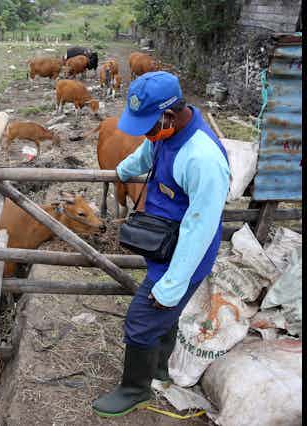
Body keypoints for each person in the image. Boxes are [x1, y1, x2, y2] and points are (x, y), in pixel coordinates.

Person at [91, 71, 230, 417]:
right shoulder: (165, 133)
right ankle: (158, 370)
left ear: (171, 113)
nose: (147, 133)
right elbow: (148, 151)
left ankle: (134, 389)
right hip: (166, 242)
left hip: (186, 253)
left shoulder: (203, 159)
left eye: (150, 125)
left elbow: (200, 229)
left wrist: (173, 281)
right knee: (166, 316)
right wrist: (125, 169)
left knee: (141, 319)